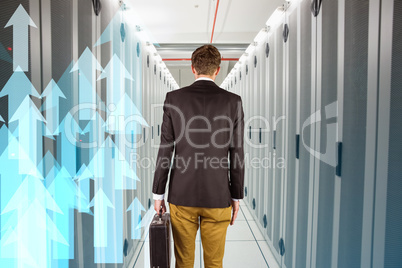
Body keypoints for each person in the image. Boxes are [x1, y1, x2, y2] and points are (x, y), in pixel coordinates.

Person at [152, 44, 245, 268]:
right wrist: (236, 196)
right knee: (214, 262)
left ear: (193, 68)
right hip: (218, 196)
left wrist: (158, 194)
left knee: (183, 261)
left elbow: (166, 147)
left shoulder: (174, 98)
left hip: (182, 196)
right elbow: (237, 152)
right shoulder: (233, 101)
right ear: (218, 69)